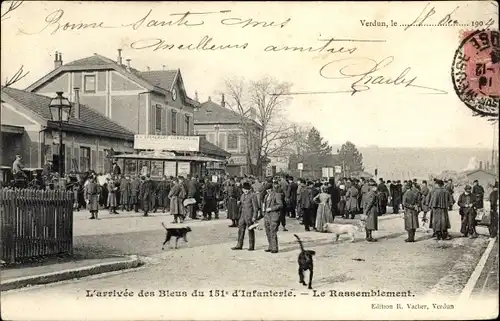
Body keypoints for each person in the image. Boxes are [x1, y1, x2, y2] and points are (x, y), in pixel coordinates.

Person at [232, 182, 259, 251]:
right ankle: (239, 245)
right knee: (240, 230)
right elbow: (241, 206)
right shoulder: (242, 196)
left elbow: (255, 207)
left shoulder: (253, 196)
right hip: (242, 216)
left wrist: (254, 217)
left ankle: (251, 246)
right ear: (242, 189)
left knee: (250, 230)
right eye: (244, 189)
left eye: (247, 189)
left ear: (249, 189)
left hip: (249, 216)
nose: (246, 191)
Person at [263, 182, 283, 253]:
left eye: (269, 189)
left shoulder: (277, 195)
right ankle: (270, 246)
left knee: (273, 231)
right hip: (267, 216)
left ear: (272, 188)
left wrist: (271, 208)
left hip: (274, 215)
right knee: (268, 232)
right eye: (267, 190)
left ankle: (274, 248)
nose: (268, 191)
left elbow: (280, 205)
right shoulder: (266, 196)